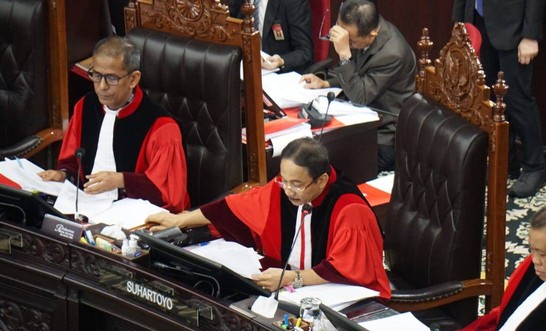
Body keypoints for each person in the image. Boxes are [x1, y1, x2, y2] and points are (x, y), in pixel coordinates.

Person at [146, 137, 390, 298]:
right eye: (284, 180)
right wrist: (179, 220)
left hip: (332, 296)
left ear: (322, 180)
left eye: (297, 184)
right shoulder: (285, 188)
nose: (288, 191)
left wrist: (293, 278)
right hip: (289, 287)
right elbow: (232, 208)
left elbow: (348, 271)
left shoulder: (348, 209)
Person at [39, 36, 189, 213]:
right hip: (85, 206)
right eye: (96, 75)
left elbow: (169, 196)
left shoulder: (161, 127)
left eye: (111, 78)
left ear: (133, 79)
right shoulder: (86, 106)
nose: (101, 87)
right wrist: (63, 175)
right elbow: (73, 162)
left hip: (133, 216)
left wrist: (122, 181)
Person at [299, 0, 416, 172]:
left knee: (324, 166)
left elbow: (360, 96)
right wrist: (325, 83)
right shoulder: (366, 29)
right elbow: (359, 73)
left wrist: (345, 54)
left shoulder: (393, 54)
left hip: (383, 136)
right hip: (360, 122)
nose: (347, 45)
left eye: (351, 42)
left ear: (373, 33)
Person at [452, 0, 546, 198]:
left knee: (517, 99)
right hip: (478, 20)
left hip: (513, 28)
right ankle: (505, 160)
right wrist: (460, 21)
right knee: (489, 98)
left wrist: (530, 35)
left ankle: (535, 167)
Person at [227, 0, 313, 73]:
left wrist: (282, 61)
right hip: (242, 69)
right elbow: (228, 29)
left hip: (275, 75)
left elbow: (305, 51)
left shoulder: (293, 2)